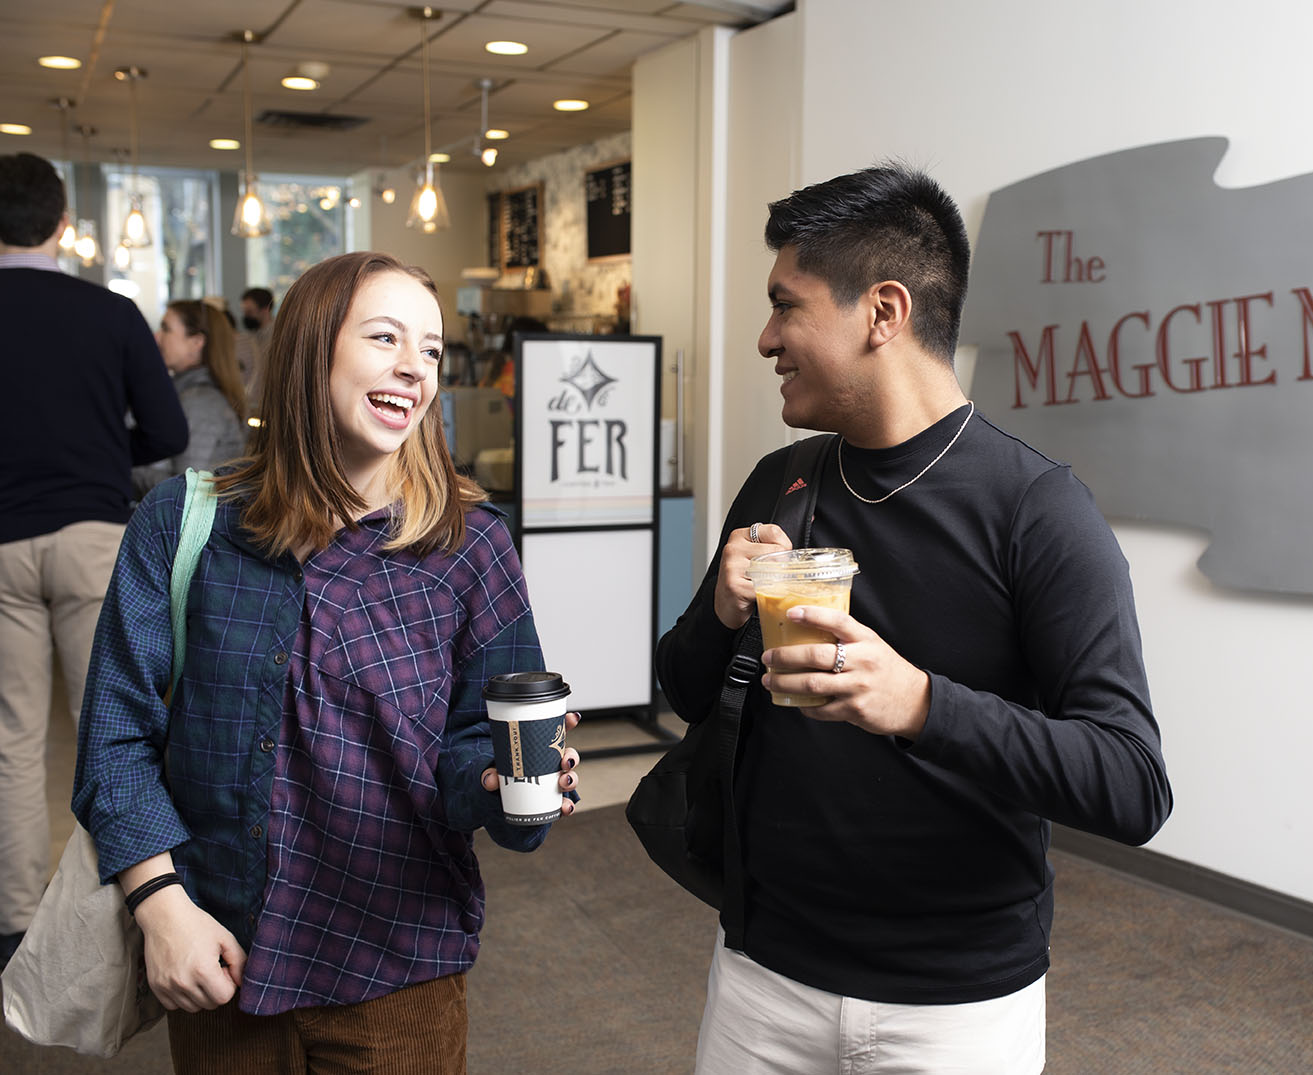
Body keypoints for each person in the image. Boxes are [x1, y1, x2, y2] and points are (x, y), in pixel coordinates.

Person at [655, 164, 1173, 1074]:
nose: (765, 336)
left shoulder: (1038, 512)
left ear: (882, 310)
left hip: (956, 1005)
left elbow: (1131, 783)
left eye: (787, 305)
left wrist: (922, 703)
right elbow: (688, 688)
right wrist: (722, 610)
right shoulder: (783, 478)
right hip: (762, 977)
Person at [73, 251, 580, 1071]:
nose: (413, 367)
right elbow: (116, 738)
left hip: (396, 964)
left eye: (431, 350)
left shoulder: (469, 544)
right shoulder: (182, 524)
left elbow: (470, 752)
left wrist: (501, 783)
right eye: (385, 338)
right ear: (313, 348)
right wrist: (162, 906)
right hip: (220, 953)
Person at [0, 152, 187, 970]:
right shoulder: (110, 312)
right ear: (65, 223)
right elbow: (170, 436)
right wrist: (111, 455)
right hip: (92, 532)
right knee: (117, 734)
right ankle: (133, 908)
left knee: (11, 735)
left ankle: (10, 923)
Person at [132, 298, 249, 498]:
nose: (157, 337)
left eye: (166, 329)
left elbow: (186, 488)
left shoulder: (201, 402)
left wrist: (121, 466)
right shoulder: (187, 393)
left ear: (196, 342)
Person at [237, 286, 275, 408]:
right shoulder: (249, 337)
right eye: (244, 311)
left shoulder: (279, 335)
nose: (246, 316)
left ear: (265, 310)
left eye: (250, 312)